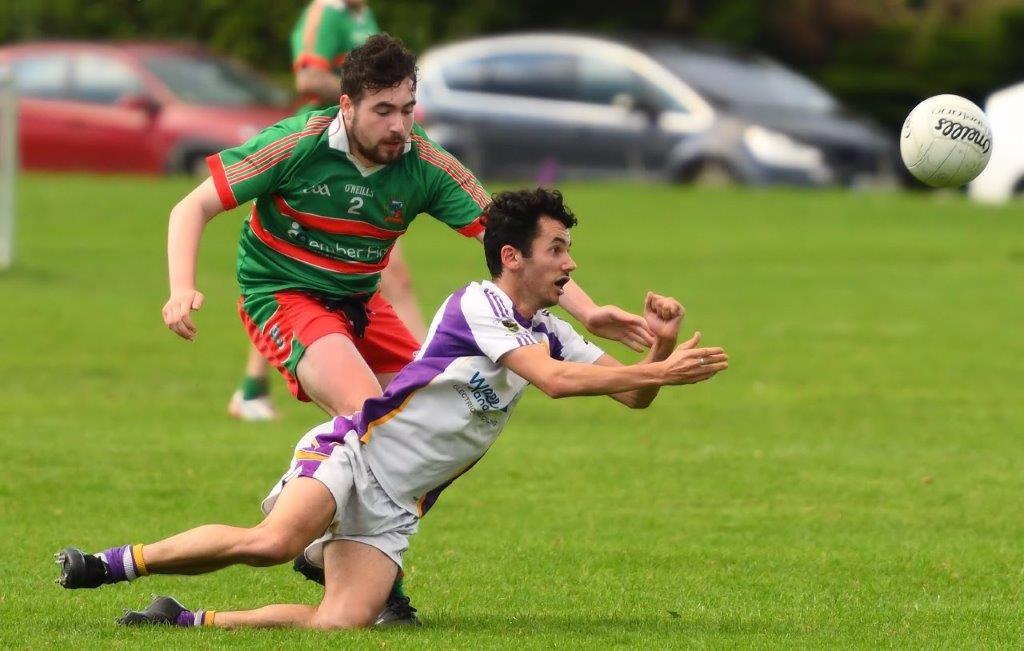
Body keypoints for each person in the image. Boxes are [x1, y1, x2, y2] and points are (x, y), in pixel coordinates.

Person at [57, 187, 729, 630]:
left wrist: (661, 348)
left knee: (339, 623)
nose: (569, 264)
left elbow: (633, 394)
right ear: (511, 257)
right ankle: (110, 563)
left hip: (397, 504)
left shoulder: (554, 331)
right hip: (356, 452)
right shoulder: (479, 304)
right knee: (274, 543)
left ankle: (181, 618)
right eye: (557, 249)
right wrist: (662, 365)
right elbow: (550, 382)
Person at [161, 34, 653, 624]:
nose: (400, 126)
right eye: (383, 111)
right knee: (373, 414)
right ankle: (320, 537)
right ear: (347, 108)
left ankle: (334, 554)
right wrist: (180, 287)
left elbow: (513, 240)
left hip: (360, 302)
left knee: (424, 417)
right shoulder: (294, 144)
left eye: (408, 109)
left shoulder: (425, 164)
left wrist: (590, 311)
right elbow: (190, 207)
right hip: (284, 296)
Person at [230, 0, 414, 421]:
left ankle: (253, 387)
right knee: (306, 275)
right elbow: (308, 76)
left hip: (361, 163)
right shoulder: (324, 14)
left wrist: (388, 107)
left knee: (306, 280)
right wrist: (373, 99)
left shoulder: (360, 14)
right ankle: (415, 376)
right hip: (318, 163)